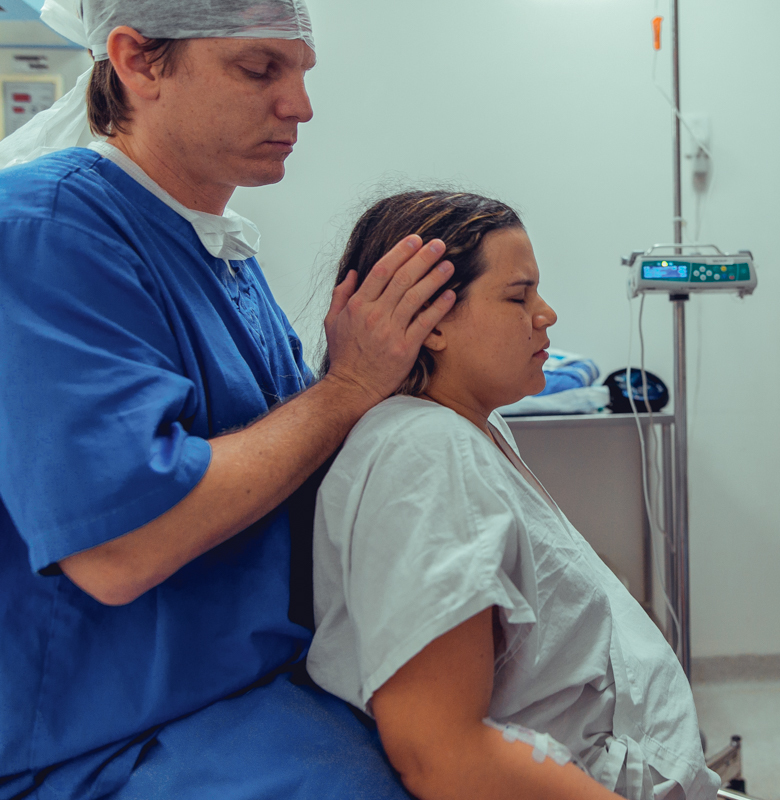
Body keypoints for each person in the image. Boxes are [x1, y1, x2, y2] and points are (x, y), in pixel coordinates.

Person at [0, 2, 454, 797]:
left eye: (302, 72)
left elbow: (295, 469)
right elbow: (117, 549)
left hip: (246, 694)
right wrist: (349, 387)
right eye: (258, 69)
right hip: (104, 744)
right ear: (137, 61)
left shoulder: (219, 254)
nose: (299, 106)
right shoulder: (47, 229)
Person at [306, 190, 721, 800]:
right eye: (517, 296)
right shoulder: (426, 453)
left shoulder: (473, 426)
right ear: (431, 321)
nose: (545, 314)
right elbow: (442, 754)